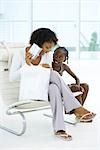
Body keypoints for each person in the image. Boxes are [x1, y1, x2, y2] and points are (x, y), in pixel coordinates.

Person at [9, 28, 95, 141]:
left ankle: (60, 129)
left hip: (45, 90)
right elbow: (12, 78)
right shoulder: (20, 54)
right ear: (37, 43)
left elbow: (47, 77)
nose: (48, 51)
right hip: (29, 92)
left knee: (53, 86)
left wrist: (45, 70)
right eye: (46, 47)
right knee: (53, 76)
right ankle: (76, 108)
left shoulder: (47, 56)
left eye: (51, 48)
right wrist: (27, 65)